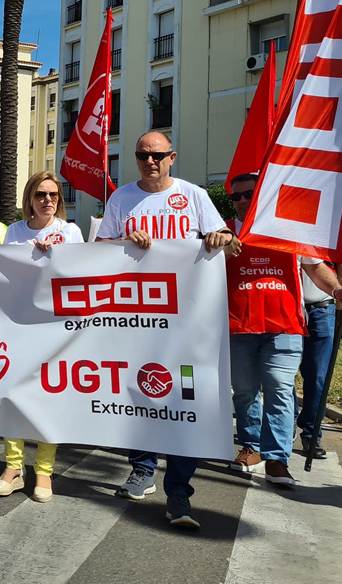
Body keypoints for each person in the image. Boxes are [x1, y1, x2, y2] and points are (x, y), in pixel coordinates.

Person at [95, 131, 235, 528]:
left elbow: (227, 239)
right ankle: (141, 470)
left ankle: (179, 491)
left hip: (187, 321)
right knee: (138, 393)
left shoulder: (192, 195)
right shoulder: (121, 198)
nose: (149, 161)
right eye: (142, 155)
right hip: (137, 318)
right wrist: (124, 240)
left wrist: (220, 236)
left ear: (172, 157)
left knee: (184, 401)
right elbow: (100, 249)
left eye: (156, 155)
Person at [224, 173, 342, 486]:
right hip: (239, 326)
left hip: (284, 327)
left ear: (262, 193)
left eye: (248, 194)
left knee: (278, 387)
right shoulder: (224, 231)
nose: (242, 201)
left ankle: (277, 457)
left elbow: (316, 267)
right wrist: (219, 248)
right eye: (236, 197)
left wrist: (337, 290)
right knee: (246, 391)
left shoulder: (290, 230)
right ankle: (251, 446)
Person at [0, 171, 83, 502]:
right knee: (12, 395)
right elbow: (4, 276)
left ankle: (43, 470)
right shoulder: (14, 231)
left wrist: (55, 258)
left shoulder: (70, 231)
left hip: (56, 329)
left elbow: (81, 275)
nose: (48, 200)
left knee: (48, 398)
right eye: (41, 194)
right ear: (29, 199)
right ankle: (12, 468)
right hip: (19, 325)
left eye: (54, 195)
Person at [297, 263, 337, 460]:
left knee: (318, 376)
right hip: (287, 307)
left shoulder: (330, 232)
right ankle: (285, 427)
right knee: (281, 376)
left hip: (322, 308)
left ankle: (311, 434)